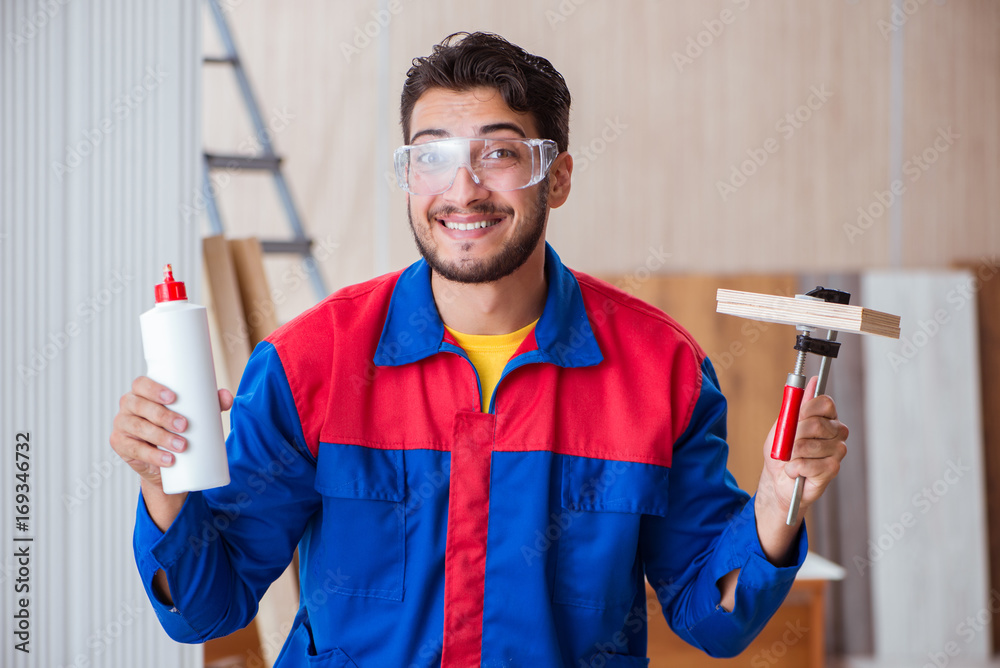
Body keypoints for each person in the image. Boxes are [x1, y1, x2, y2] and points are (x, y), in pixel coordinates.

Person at [110, 31, 848, 668]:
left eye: (497, 154)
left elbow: (710, 616)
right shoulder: (311, 367)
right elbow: (207, 606)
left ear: (555, 177)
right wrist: (163, 488)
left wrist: (777, 508)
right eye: (431, 158)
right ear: (407, 176)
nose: (462, 189)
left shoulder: (661, 375)